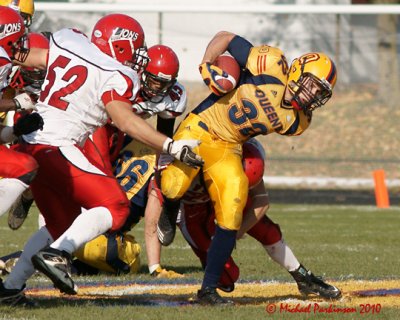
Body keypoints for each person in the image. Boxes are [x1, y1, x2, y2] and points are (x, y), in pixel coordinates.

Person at [0, 13, 202, 306]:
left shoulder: (70, 41)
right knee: (117, 207)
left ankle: (11, 288)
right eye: (136, 48)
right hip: (58, 146)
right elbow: (126, 122)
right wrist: (171, 146)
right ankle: (58, 254)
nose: (138, 57)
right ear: (120, 46)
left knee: (63, 221)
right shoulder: (115, 73)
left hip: (31, 142)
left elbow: (31, 56)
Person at [157, 31, 337, 304]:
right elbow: (227, 38)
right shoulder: (270, 63)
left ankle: (207, 291)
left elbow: (255, 132)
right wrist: (208, 62)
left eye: (320, 94)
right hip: (202, 127)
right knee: (173, 184)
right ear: (298, 71)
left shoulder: (297, 122)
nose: (313, 96)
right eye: (312, 86)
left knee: (233, 207)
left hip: (228, 146)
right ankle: (170, 209)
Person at [73, 44, 187, 278]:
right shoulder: (125, 81)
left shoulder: (168, 99)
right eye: (155, 81)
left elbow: (163, 136)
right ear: (142, 72)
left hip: (123, 141)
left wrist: (162, 162)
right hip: (98, 126)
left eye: (166, 83)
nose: (160, 89)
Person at [178, 139, 341, 301]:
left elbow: (261, 202)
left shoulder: (244, 158)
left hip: (226, 197)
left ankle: (302, 276)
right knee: (228, 277)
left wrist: (234, 234)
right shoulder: (203, 158)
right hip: (195, 212)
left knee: (267, 229)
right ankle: (208, 287)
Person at [0, 7, 43, 218]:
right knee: (25, 167)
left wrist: (13, 131)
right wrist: (16, 104)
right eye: (16, 41)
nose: (19, 47)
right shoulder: (2, 59)